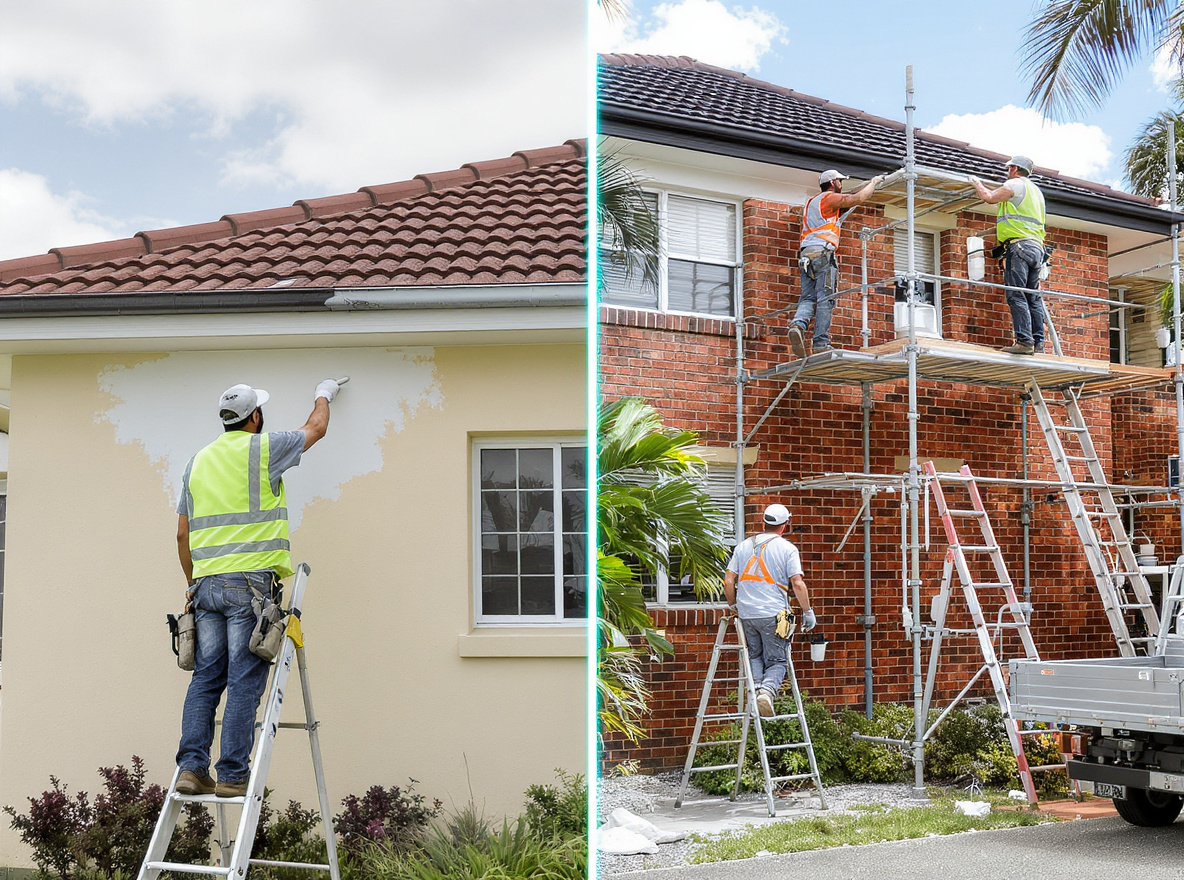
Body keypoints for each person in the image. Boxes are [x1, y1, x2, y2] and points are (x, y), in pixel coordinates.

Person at [173, 378, 342, 797]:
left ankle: (192, 769)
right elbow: (315, 428)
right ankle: (231, 774)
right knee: (246, 676)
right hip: (250, 586)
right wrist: (323, 393)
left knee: (207, 679)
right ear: (255, 417)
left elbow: (181, 534)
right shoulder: (263, 450)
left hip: (207, 586)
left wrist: (193, 585)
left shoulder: (197, 462)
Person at [723, 503, 816, 718]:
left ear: (763, 523)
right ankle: (767, 692)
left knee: (754, 654)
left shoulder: (744, 546)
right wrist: (808, 611)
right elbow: (798, 584)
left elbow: (729, 580)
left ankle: (756, 692)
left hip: (747, 614)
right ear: (785, 526)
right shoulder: (787, 549)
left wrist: (734, 605)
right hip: (775, 614)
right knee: (777, 660)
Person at [788, 169, 884, 358]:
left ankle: (798, 325)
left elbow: (846, 201)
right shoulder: (829, 198)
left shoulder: (812, 202)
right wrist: (873, 182)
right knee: (826, 298)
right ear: (833, 183)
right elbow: (857, 199)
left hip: (806, 255)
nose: (841, 184)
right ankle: (821, 343)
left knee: (808, 298)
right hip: (822, 254)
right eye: (840, 181)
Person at [969, 155, 1047, 355]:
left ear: (1013, 169)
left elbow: (988, 197)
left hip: (1019, 246)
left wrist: (976, 183)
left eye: (1009, 168)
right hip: (1036, 248)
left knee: (1016, 293)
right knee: (1033, 297)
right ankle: (1038, 343)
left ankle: (1024, 341)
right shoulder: (1036, 191)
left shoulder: (1015, 184)